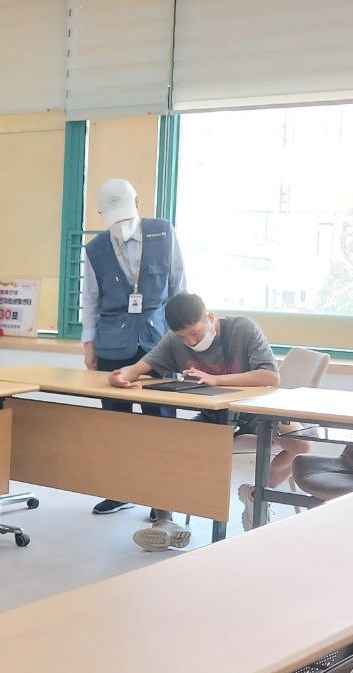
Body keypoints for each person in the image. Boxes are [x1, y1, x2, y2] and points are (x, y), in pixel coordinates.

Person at [108, 293, 284, 549]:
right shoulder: (173, 342)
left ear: (210, 318)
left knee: (300, 445)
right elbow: (136, 369)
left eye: (196, 333)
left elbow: (270, 377)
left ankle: (258, 495)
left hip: (257, 411)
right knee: (165, 447)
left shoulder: (242, 329)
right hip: (214, 418)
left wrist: (217, 380)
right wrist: (119, 376)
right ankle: (165, 523)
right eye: (183, 337)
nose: (190, 342)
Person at [81, 178, 187, 522]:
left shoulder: (163, 233)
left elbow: (178, 288)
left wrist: (181, 342)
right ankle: (121, 490)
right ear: (102, 215)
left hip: (158, 343)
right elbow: (91, 300)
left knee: (160, 424)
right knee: (117, 424)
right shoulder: (95, 249)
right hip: (112, 344)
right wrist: (88, 344)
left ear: (138, 204)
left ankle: (163, 499)